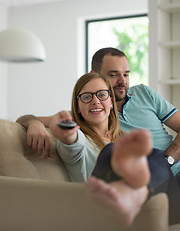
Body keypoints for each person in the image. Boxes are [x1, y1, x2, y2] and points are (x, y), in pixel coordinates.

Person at [17, 73, 180, 226]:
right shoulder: (81, 139)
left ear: (111, 102)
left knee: (154, 155)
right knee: (111, 152)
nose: (95, 101)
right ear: (78, 107)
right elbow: (72, 145)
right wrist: (58, 131)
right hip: (105, 212)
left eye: (101, 94)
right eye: (87, 97)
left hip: (158, 206)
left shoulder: (126, 139)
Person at [16, 47, 180, 179]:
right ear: (94, 75)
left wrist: (167, 160)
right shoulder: (87, 112)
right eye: (113, 75)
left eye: (126, 74)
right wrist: (34, 123)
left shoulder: (144, 93)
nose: (122, 81)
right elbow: (66, 137)